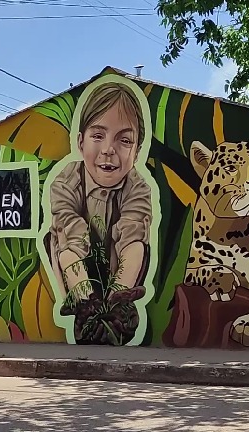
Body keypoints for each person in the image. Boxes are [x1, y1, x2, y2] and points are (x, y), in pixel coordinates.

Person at [47, 80, 153, 307]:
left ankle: (117, 301)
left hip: (116, 265)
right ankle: (85, 303)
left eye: (124, 140)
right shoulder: (67, 181)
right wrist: (89, 301)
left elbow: (132, 240)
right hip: (74, 263)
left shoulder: (137, 187)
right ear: (80, 142)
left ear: (137, 153)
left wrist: (117, 296)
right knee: (61, 240)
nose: (108, 150)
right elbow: (71, 239)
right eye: (97, 136)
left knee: (141, 246)